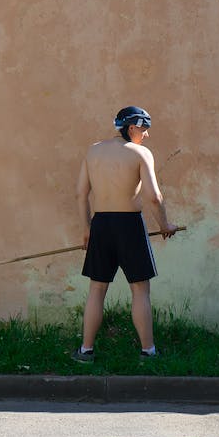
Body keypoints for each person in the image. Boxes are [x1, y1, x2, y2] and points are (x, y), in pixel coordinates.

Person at [71, 106, 179, 364]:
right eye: (144, 129)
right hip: (129, 224)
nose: (146, 135)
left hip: (101, 224)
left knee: (97, 289)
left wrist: (87, 229)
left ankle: (86, 351)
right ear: (131, 128)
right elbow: (154, 197)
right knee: (140, 290)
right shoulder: (140, 153)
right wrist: (165, 225)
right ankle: (148, 351)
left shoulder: (93, 150)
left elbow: (80, 194)